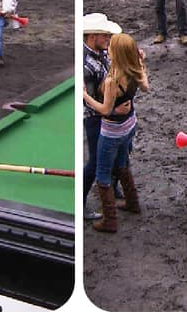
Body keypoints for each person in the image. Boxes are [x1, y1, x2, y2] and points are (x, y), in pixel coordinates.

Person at [87, 32, 149, 233]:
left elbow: (104, 109)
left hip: (111, 131)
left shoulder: (113, 80)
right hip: (129, 125)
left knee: (102, 174)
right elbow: (146, 87)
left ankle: (110, 220)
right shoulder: (134, 70)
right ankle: (132, 202)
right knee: (122, 163)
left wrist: (85, 95)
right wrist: (141, 63)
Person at [81, 12, 123, 221]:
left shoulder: (101, 52)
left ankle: (112, 188)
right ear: (92, 36)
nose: (108, 39)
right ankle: (81, 203)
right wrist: (113, 111)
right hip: (95, 117)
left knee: (118, 152)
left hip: (107, 112)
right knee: (96, 161)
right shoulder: (85, 65)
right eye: (105, 35)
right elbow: (88, 100)